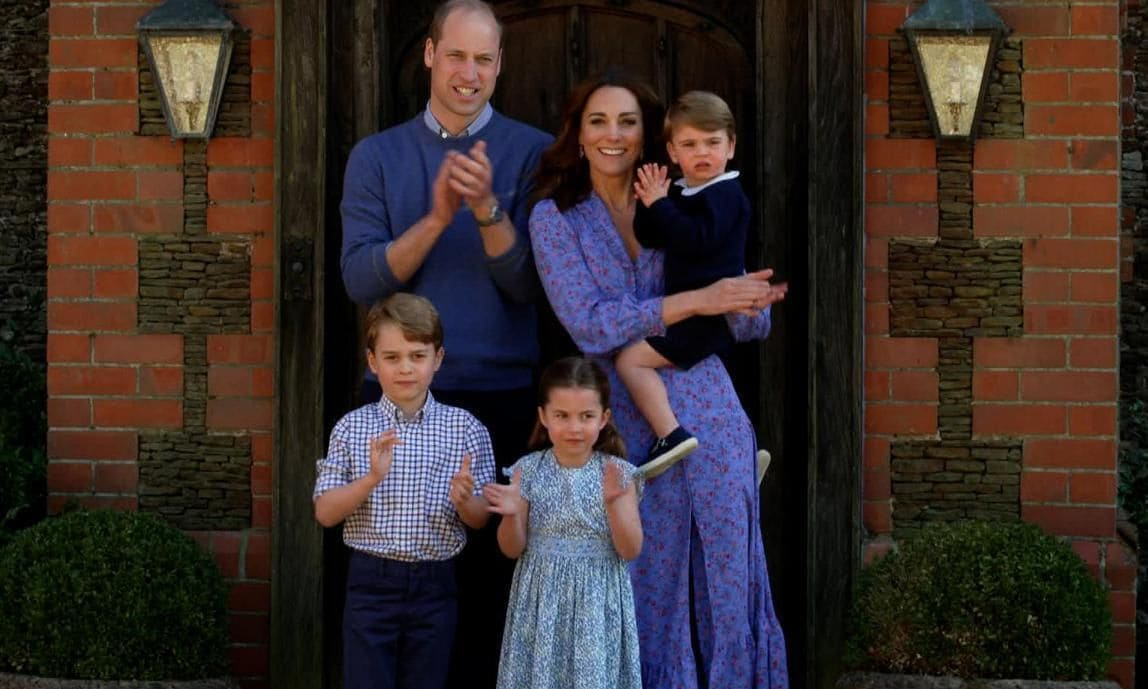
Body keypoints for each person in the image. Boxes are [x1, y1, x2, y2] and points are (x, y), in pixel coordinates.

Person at [528, 69, 790, 688]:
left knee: (727, 571)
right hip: (620, 417)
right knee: (643, 574)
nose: (613, 135)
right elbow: (591, 327)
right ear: (579, 134)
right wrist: (697, 301)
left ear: (651, 138)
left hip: (707, 401)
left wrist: (748, 302)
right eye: (598, 121)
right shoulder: (555, 218)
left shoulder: (687, 197)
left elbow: (744, 314)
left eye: (627, 122)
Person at [338, 1, 553, 685]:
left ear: (500, 65)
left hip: (500, 396)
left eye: (483, 59)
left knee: (490, 586)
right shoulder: (377, 155)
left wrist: (487, 208)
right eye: (455, 55)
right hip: (400, 399)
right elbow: (359, 277)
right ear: (429, 54)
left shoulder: (534, 153)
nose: (469, 73)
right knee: (401, 584)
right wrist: (435, 217)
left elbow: (529, 287)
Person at [312, 293, 496, 689]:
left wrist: (466, 500)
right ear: (372, 361)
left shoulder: (465, 429)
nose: (406, 368)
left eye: (417, 355)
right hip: (370, 583)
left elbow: (481, 520)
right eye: (392, 357)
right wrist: (370, 479)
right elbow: (325, 513)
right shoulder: (351, 428)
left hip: (435, 584)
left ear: (438, 358)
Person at [483, 357, 643, 689]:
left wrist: (614, 502)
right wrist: (512, 514)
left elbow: (630, 549)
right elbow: (512, 549)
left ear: (604, 419)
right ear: (543, 416)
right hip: (542, 601)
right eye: (562, 416)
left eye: (586, 416)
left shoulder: (618, 473)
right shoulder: (527, 470)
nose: (574, 427)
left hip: (597, 603)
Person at [616, 90, 751, 477]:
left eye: (712, 142)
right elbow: (652, 235)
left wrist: (662, 204)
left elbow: (697, 239)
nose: (702, 152)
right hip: (687, 313)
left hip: (707, 319)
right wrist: (650, 201)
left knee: (631, 360)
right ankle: (733, 458)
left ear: (731, 146)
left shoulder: (726, 194)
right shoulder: (685, 191)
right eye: (690, 144)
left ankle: (670, 434)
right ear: (673, 153)